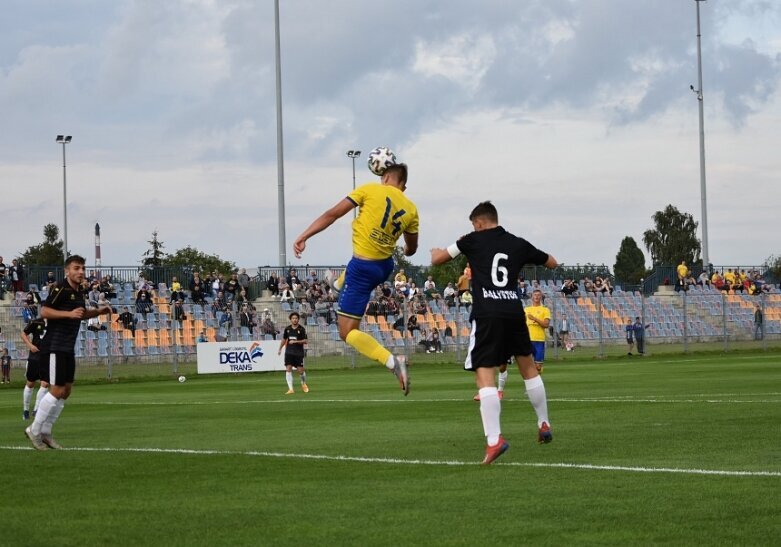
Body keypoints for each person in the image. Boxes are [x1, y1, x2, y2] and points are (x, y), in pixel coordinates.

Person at [431, 201, 558, 464]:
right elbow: (553, 263)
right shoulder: (518, 243)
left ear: (478, 223)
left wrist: (435, 251)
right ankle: (544, 423)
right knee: (529, 369)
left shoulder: (470, 240)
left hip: (487, 313)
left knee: (484, 375)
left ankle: (494, 440)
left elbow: (438, 259)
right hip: (513, 311)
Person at [293, 160, 418, 395]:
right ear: (403, 185)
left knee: (346, 332)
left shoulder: (369, 189)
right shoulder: (411, 208)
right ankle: (338, 283)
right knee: (350, 270)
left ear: (385, 177)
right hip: (384, 266)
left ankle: (393, 362)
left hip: (363, 268)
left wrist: (304, 236)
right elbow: (411, 249)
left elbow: (332, 214)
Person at [25, 255, 112, 451]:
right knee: (56, 390)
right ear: (67, 271)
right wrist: (68, 314)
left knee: (66, 390)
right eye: (76, 268)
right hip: (54, 346)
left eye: (82, 268)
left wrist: (98, 312)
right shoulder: (60, 288)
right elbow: (45, 312)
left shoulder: (80, 290)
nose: (80, 271)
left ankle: (46, 431)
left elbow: (80, 314)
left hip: (67, 347)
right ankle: (34, 429)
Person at [21, 317, 48, 420]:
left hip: (47, 357)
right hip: (35, 357)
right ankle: (26, 410)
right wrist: (30, 345)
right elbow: (23, 333)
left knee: (45, 383)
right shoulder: (36, 321)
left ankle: (36, 410)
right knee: (30, 382)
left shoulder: (56, 322)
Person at [278, 312, 309, 394]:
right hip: (289, 352)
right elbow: (284, 339)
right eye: (293, 318)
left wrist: (296, 341)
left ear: (298, 319)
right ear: (290, 320)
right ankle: (291, 389)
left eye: (296, 318)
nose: (294, 320)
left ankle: (303, 383)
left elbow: (305, 341)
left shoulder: (301, 329)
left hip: (298, 353)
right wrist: (280, 348)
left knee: (300, 371)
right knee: (288, 369)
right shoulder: (287, 329)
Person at [525, 289, 551, 373]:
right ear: (532, 297)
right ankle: (533, 383)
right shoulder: (526, 309)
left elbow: (546, 324)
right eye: (535, 295)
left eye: (538, 295)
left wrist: (535, 319)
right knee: (527, 365)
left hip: (539, 340)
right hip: (528, 340)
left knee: (538, 366)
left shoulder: (545, 310)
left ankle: (538, 372)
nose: (536, 296)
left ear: (541, 297)